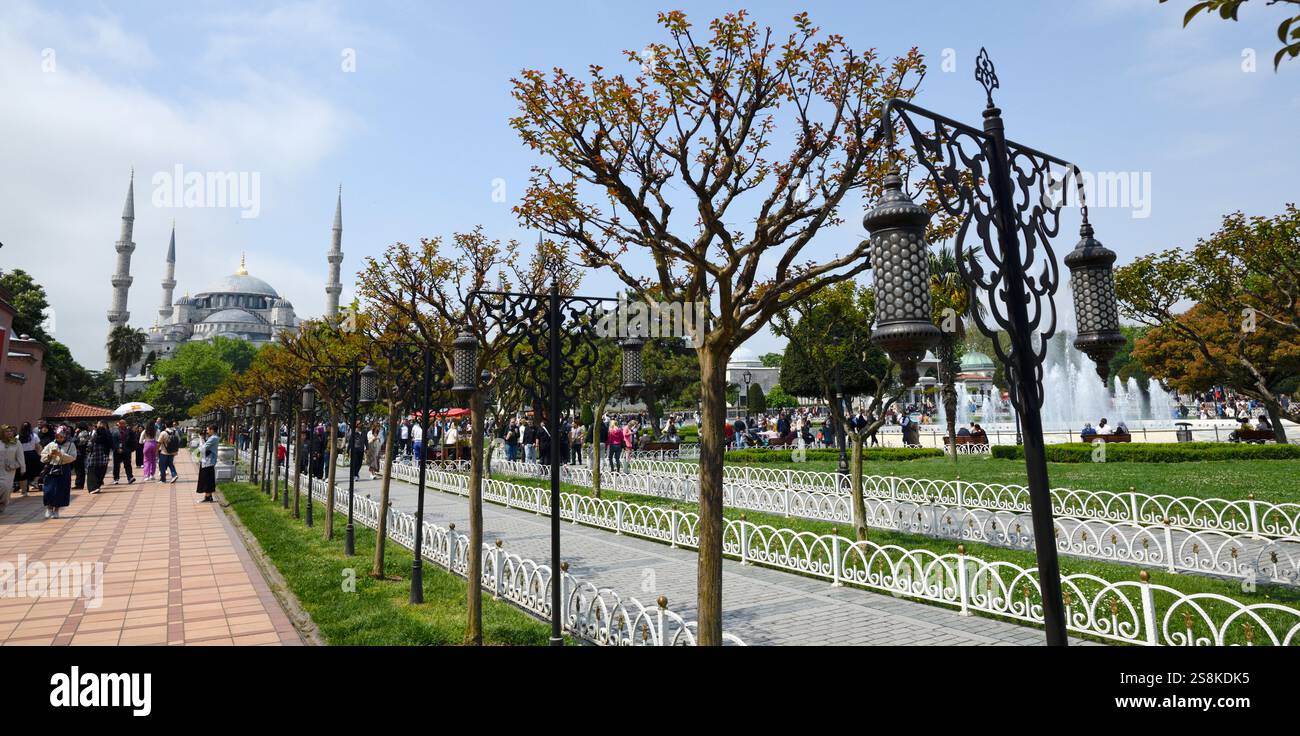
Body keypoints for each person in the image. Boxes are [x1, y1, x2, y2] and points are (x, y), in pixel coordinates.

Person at [40, 426, 77, 519]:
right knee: (49, 490)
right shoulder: (51, 444)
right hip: (51, 468)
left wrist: (61, 454)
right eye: (57, 436)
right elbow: (42, 456)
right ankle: (49, 507)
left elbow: (73, 457)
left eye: (61, 437)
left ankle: (56, 510)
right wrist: (49, 455)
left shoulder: (70, 445)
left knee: (60, 490)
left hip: (64, 469)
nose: (59, 439)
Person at [0, 425, 25, 514]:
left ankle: (3, 504)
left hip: (9, 470)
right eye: (7, 431)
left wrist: (22, 468)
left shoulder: (16, 442)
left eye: (10, 431)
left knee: (6, 488)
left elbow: (20, 456)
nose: (9, 433)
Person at [86, 421, 112, 494]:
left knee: (92, 473)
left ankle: (92, 488)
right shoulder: (107, 436)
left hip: (94, 458)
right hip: (103, 458)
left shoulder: (94, 438)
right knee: (100, 473)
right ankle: (97, 486)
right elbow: (111, 445)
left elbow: (89, 447)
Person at [196, 424, 219, 503]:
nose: (207, 431)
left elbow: (203, 448)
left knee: (207, 479)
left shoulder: (213, 438)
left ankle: (208, 497)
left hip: (208, 461)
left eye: (208, 430)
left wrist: (201, 439)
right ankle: (208, 496)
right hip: (207, 461)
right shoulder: (212, 438)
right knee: (207, 479)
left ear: (212, 430)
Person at [111, 419, 136, 484]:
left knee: (128, 464)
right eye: (121, 423)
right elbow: (113, 441)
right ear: (119, 424)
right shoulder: (115, 431)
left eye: (124, 423)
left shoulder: (128, 431)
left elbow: (132, 439)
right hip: (117, 451)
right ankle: (116, 478)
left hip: (126, 450)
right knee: (116, 465)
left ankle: (130, 477)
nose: (123, 425)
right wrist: (117, 448)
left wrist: (131, 448)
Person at [17, 422, 39, 496]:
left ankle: (24, 491)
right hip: (32, 454)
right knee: (38, 469)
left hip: (21, 455)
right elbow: (37, 446)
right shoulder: (34, 435)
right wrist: (39, 454)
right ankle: (34, 481)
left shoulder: (17, 437)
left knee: (23, 473)